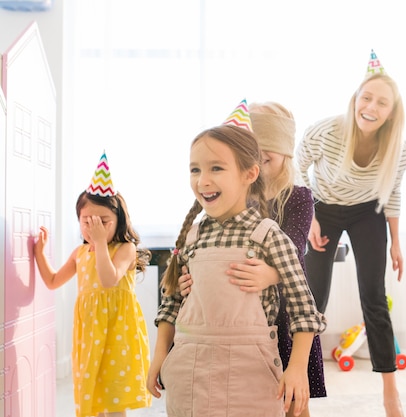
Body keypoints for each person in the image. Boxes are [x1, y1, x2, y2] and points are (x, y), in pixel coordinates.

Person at [146, 107, 326, 417]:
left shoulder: (271, 233)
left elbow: (303, 308)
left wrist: (297, 367)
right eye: (194, 170)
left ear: (249, 174)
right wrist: (159, 355)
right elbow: (171, 302)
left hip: (254, 370)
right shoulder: (193, 235)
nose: (203, 180)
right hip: (192, 373)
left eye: (216, 168)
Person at [296, 51, 406, 417]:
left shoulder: (399, 150)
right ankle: (300, 385)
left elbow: (392, 194)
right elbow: (296, 166)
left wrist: (396, 242)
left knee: (375, 298)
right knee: (313, 301)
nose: (371, 107)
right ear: (355, 100)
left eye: (381, 102)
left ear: (391, 112)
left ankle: (390, 391)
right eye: (366, 97)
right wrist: (307, 215)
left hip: (367, 213)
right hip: (322, 209)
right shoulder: (326, 131)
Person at [33, 152, 152, 417]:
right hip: (89, 334)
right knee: (95, 395)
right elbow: (53, 281)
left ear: (119, 220)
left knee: (114, 396)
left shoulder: (125, 249)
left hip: (118, 331)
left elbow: (109, 280)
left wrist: (99, 243)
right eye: (86, 221)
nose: (93, 227)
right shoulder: (79, 254)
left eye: (102, 222)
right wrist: (40, 253)